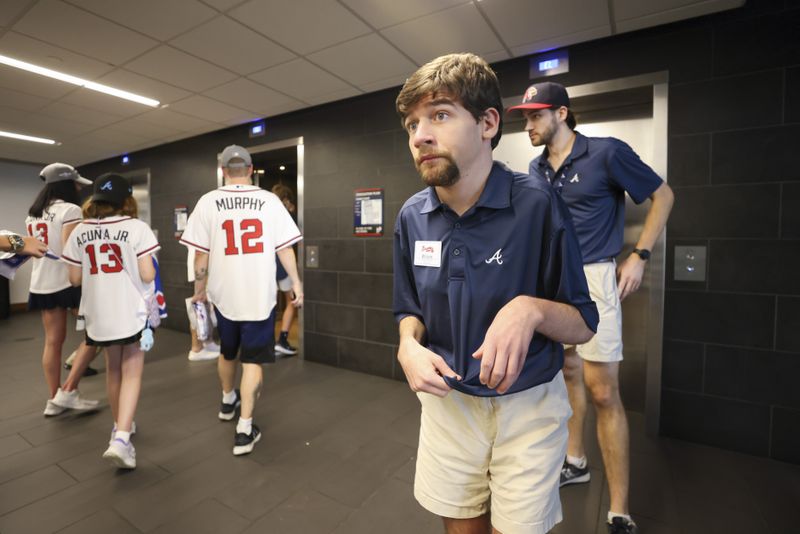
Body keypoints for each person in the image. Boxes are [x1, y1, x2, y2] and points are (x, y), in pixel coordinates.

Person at [393, 53, 599, 534]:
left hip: (528, 405)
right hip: (448, 406)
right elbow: (409, 309)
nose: (420, 135)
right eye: (411, 124)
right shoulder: (411, 216)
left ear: (487, 123)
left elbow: (584, 323)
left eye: (439, 115)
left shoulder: (537, 204)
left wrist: (530, 310)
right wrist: (407, 344)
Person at [508, 81, 675, 534]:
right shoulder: (534, 168)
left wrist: (639, 255)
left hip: (597, 278)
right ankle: (575, 460)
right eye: (525, 117)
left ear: (562, 113)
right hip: (553, 282)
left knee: (604, 391)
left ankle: (619, 509)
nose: (528, 124)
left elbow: (663, 195)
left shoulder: (606, 153)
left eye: (536, 115)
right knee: (567, 375)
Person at [180, 145, 303, 456]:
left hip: (223, 297)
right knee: (253, 361)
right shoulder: (269, 201)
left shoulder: (208, 202)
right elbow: (284, 249)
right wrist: (296, 284)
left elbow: (200, 255)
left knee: (227, 352)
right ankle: (245, 429)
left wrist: (199, 288)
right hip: (259, 297)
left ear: (224, 171)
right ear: (250, 170)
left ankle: (226, 400)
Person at [62, 173, 160, 469]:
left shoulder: (80, 230)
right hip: (129, 312)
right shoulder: (137, 228)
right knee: (132, 371)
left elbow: (74, 278)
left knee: (113, 370)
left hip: (97, 314)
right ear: (126, 200)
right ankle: (120, 439)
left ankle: (121, 424)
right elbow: (147, 275)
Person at [24, 163, 99, 417]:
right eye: (77, 183)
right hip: (70, 283)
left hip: (42, 283)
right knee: (94, 335)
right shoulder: (71, 210)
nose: (79, 187)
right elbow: (72, 252)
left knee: (53, 343)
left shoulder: (33, 214)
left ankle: (54, 397)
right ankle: (69, 391)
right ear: (67, 184)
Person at [271, 183, 298, 356]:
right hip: (284, 265)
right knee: (291, 301)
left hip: (267, 266)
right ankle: (282, 340)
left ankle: (267, 341)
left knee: (269, 304)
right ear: (287, 199)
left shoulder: (265, 214)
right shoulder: (288, 216)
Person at [185, 245, 220, 362]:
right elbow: (200, 250)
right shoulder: (199, 227)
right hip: (201, 264)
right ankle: (197, 348)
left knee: (205, 303)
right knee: (198, 303)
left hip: (203, 263)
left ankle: (207, 342)